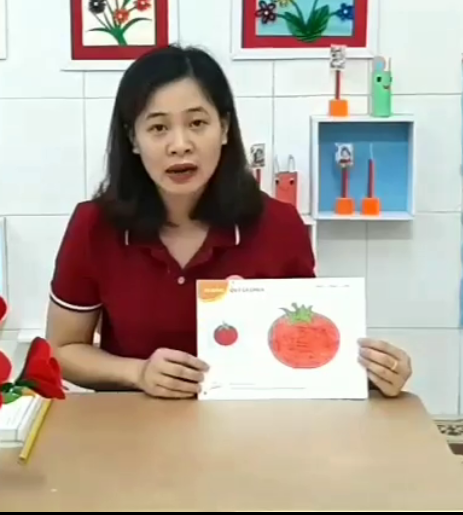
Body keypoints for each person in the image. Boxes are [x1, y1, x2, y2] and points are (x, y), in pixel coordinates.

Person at [47, 44, 413, 399]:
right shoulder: (93, 225)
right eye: (158, 128)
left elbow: (303, 346)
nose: (180, 144)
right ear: (133, 139)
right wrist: (137, 373)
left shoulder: (279, 226)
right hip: (132, 425)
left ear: (223, 128)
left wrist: (373, 373)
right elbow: (62, 350)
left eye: (197, 123)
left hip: (249, 426)